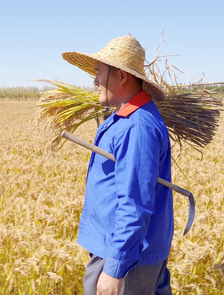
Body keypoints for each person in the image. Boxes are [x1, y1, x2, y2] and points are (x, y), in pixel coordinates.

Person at [62, 35, 174, 295]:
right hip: (123, 250)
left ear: (122, 76)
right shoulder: (127, 117)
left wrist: (115, 268)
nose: (94, 80)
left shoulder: (138, 127)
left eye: (99, 72)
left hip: (126, 257)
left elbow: (134, 204)